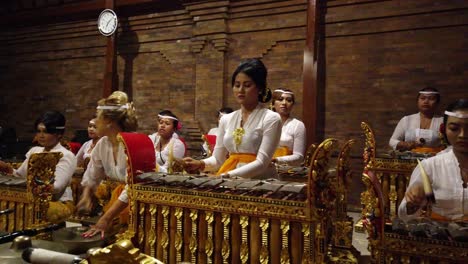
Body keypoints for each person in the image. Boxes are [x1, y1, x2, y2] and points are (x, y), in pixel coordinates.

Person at [183, 58, 282, 179]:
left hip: (260, 182)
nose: (240, 90)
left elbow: (262, 163)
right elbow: (218, 159)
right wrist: (200, 164)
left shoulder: (271, 118)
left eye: (247, 85)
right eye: (237, 85)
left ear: (260, 88)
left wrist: (226, 175)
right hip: (230, 179)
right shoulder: (226, 119)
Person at [76, 91, 138, 238]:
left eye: (98, 117)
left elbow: (133, 188)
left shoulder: (133, 144)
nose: (95, 122)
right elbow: (92, 176)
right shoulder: (102, 144)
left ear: (109, 121)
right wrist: (86, 196)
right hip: (123, 201)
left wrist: (106, 218)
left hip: (143, 203)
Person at [398, 99, 468, 221]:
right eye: (454, 128)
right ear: (444, 130)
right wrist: (413, 203)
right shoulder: (430, 166)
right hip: (442, 236)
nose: (463, 135)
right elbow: (405, 215)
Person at [0, 111, 77, 223]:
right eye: (39, 131)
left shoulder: (66, 155)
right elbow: (20, 176)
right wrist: (7, 168)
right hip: (32, 199)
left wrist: (36, 182)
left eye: (46, 132)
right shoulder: (35, 151)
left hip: (57, 202)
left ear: (58, 134)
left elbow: (56, 187)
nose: (41, 135)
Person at [389, 87, 444, 152]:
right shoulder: (406, 120)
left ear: (437, 103)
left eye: (431, 99)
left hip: (434, 160)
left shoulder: (442, 121)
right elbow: (392, 141)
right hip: (408, 160)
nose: (426, 101)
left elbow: (450, 145)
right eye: (422, 98)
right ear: (417, 101)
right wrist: (406, 144)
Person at [270, 88, 306, 166]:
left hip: (286, 169)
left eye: (289, 100)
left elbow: (299, 156)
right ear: (273, 104)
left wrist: (277, 160)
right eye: (280, 99)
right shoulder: (265, 123)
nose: (284, 103)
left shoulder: (297, 125)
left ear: (292, 105)